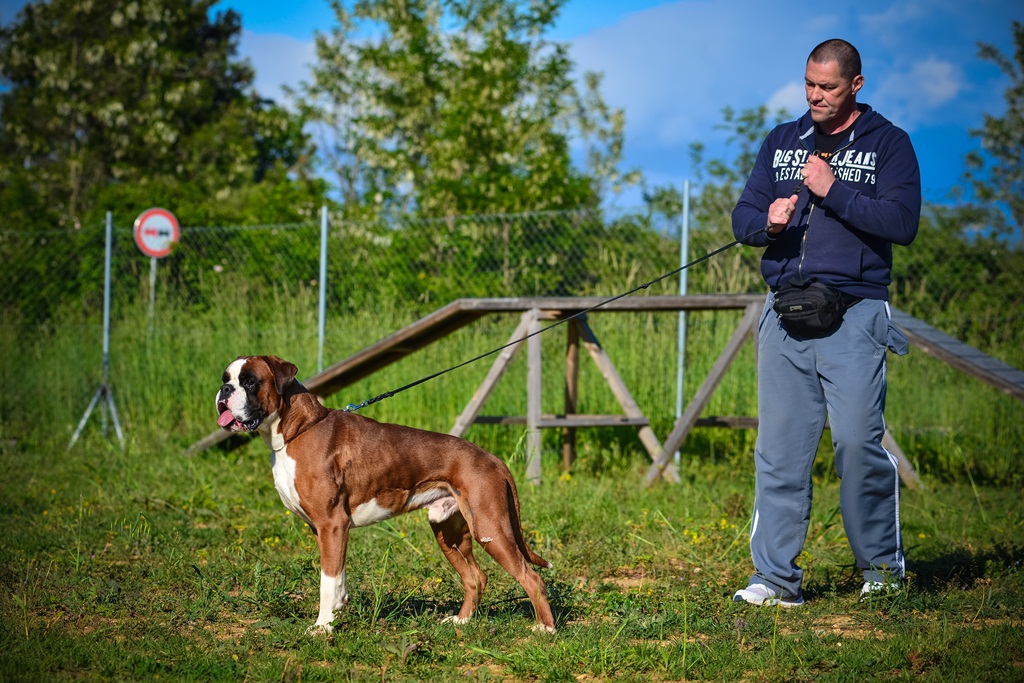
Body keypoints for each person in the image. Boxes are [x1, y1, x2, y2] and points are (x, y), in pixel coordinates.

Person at [731, 38, 921, 606]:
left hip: (854, 314)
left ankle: (882, 573)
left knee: (859, 446)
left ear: (855, 86)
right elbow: (743, 219)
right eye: (809, 84)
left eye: (828, 87)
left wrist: (831, 190)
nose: (816, 96)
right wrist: (766, 221)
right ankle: (775, 580)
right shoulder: (782, 141)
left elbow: (901, 223)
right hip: (785, 313)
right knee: (780, 451)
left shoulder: (889, 144)